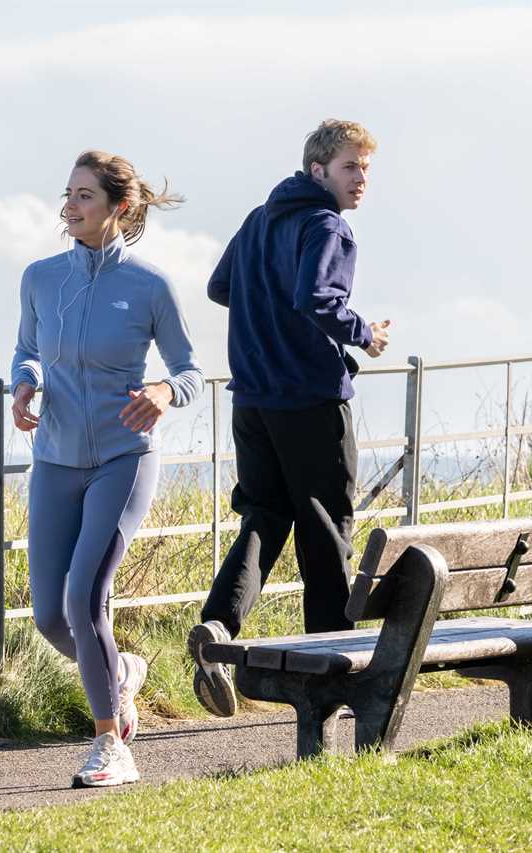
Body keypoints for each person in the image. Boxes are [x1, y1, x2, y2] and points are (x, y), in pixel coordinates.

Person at [10, 150, 204, 786]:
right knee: (47, 616)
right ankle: (123, 673)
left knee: (84, 599)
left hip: (123, 457)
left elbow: (190, 373)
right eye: (67, 194)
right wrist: (26, 382)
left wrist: (164, 393)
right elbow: (26, 350)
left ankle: (109, 746)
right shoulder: (39, 277)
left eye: (84, 196)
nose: (69, 206)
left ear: (118, 207)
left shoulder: (149, 286)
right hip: (56, 460)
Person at [187, 120, 389, 717]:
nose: (361, 180)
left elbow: (221, 286)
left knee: (265, 515)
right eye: (351, 167)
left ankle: (219, 629)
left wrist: (264, 313)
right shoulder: (328, 226)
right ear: (317, 170)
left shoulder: (258, 220)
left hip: (252, 398)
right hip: (310, 400)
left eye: (366, 169)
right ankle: (331, 671)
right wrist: (365, 334)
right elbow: (319, 300)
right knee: (326, 529)